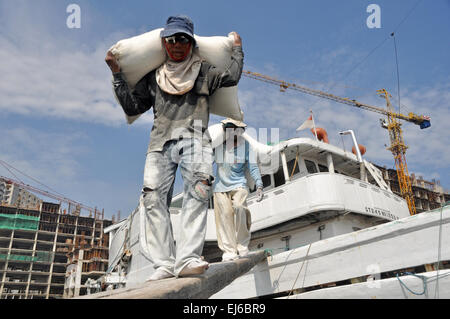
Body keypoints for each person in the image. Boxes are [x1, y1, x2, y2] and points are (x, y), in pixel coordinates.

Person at [105, 15, 244, 280]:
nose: (177, 44)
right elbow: (133, 107)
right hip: (160, 144)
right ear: (164, 44)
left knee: (198, 194)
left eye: (182, 39)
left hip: (196, 140)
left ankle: (188, 258)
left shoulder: (204, 71)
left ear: (191, 43)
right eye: (171, 39)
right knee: (153, 198)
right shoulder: (153, 77)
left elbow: (232, 76)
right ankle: (164, 264)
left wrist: (237, 48)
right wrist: (117, 75)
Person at [213, 118, 264, 262]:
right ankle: (229, 250)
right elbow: (206, 160)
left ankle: (242, 246)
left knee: (240, 207)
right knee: (225, 216)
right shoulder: (218, 145)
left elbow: (253, 167)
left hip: (239, 184)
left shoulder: (246, 146)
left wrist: (259, 184)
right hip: (219, 187)